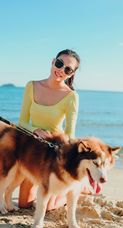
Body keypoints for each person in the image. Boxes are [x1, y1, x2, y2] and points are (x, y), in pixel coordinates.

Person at [18, 49, 80, 211]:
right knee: (24, 204)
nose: (61, 70)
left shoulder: (71, 96)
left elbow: (69, 134)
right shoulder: (32, 86)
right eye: (59, 64)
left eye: (68, 69)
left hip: (55, 150)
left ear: (71, 74)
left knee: (47, 207)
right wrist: (36, 130)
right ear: (53, 61)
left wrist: (65, 156)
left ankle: (74, 192)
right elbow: (22, 122)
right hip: (33, 148)